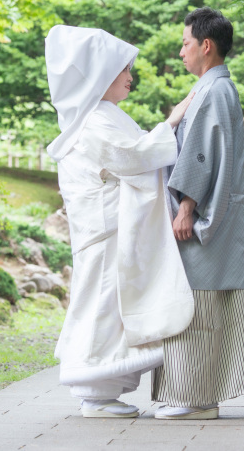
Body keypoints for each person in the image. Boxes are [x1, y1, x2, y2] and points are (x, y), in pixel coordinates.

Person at [45, 25, 195, 418]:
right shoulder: (94, 120)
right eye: (123, 69)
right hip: (106, 229)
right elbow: (133, 158)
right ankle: (94, 390)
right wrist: (173, 121)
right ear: (99, 75)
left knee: (105, 304)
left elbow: (135, 155)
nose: (130, 77)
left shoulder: (100, 115)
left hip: (108, 227)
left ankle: (100, 390)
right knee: (103, 304)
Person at [151, 8, 244, 420]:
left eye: (185, 43)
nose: (181, 51)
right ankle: (200, 396)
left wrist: (187, 207)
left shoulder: (213, 92)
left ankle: (195, 400)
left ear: (206, 46)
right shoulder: (217, 90)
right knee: (207, 306)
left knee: (195, 305)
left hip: (201, 219)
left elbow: (203, 155)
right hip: (216, 214)